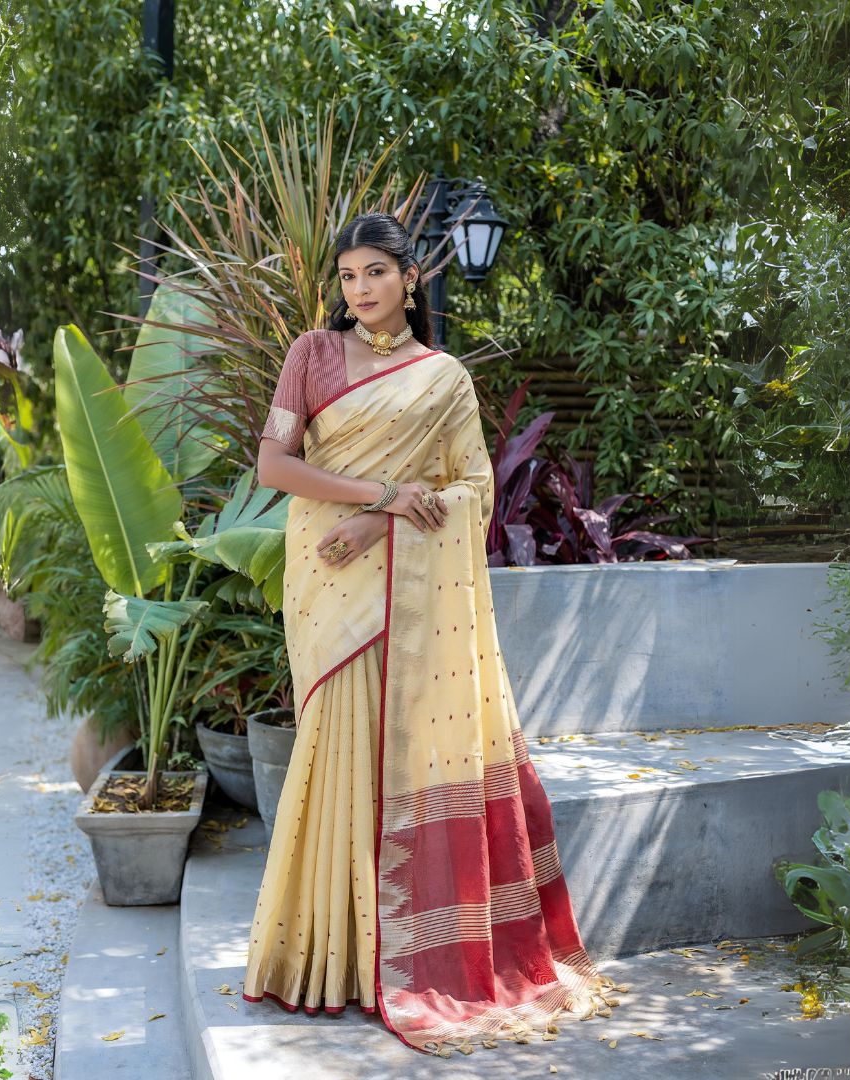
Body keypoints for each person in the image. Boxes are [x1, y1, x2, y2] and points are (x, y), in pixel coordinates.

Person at [242, 211, 617, 1054]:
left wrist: (378, 521)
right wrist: (378, 496)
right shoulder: (312, 354)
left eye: (376, 272)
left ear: (411, 278)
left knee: (398, 752)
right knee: (335, 749)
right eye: (347, 276)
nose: (360, 290)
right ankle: (323, 962)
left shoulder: (444, 378)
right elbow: (274, 466)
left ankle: (386, 961)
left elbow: (468, 491)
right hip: (329, 583)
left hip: (397, 579)